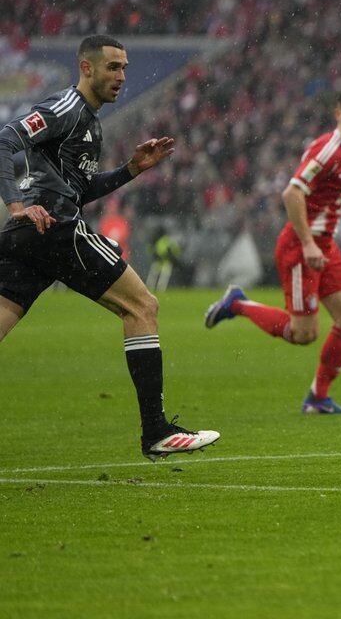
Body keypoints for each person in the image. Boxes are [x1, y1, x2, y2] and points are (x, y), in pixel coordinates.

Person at [0, 35, 218, 460]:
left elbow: (80, 191)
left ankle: (156, 431)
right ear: (86, 67)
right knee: (142, 306)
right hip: (55, 229)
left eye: (124, 68)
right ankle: (155, 430)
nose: (121, 76)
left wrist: (131, 169)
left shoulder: (90, 124)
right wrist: (17, 204)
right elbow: (5, 139)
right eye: (113, 67)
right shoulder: (66, 108)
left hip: (28, 236)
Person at [206, 87, 341, 414]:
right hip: (301, 246)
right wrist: (309, 243)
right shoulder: (327, 150)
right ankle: (238, 303)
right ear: (338, 114)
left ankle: (317, 398)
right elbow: (292, 193)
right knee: (303, 334)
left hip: (324, 246)